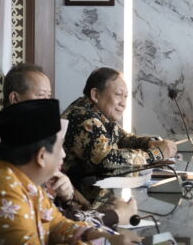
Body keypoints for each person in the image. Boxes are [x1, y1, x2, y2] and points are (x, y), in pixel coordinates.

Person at [0, 99, 140, 245]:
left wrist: (105, 236)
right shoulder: (2, 193)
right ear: (41, 156)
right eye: (59, 147)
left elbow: (57, 224)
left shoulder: (20, 177)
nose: (63, 154)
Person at [0, 63, 137, 226]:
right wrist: (114, 216)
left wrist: (69, 196)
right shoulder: (9, 138)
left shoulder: (29, 133)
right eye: (41, 96)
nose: (48, 104)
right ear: (15, 98)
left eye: (49, 96)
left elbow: (56, 219)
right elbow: (53, 223)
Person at [62, 67, 177, 200]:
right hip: (78, 201)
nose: (123, 103)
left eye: (125, 96)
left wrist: (150, 143)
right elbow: (107, 159)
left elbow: (122, 137)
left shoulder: (94, 110)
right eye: (118, 94)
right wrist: (156, 154)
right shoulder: (84, 118)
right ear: (95, 95)